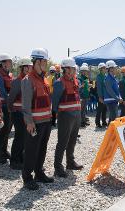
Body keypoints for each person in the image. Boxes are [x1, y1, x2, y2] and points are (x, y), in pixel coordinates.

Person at [21, 48, 54, 191]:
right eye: (44, 61)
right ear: (37, 62)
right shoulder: (28, 80)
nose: (46, 64)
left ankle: (39, 173)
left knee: (42, 149)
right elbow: (26, 104)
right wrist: (29, 122)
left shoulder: (44, 79)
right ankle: (27, 177)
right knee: (31, 150)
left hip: (46, 121)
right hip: (35, 123)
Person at [52, 57, 84, 178]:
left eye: (74, 69)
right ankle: (58, 167)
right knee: (62, 142)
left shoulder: (76, 81)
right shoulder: (59, 83)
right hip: (65, 116)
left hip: (76, 115)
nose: (73, 71)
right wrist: (54, 116)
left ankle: (70, 162)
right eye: (71, 69)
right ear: (65, 70)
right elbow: (54, 102)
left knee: (72, 140)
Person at [7, 58, 32, 170]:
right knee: (19, 137)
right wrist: (12, 111)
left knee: (26, 137)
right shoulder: (17, 81)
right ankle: (14, 161)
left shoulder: (29, 80)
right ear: (23, 68)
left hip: (26, 114)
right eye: (27, 67)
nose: (29, 69)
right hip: (18, 113)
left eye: (30, 67)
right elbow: (11, 98)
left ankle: (21, 158)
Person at [0, 53, 13, 164]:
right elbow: (2, 93)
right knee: (2, 131)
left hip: (10, 106)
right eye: (7, 61)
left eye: (10, 61)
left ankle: (3, 150)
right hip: (3, 107)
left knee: (7, 131)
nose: (9, 64)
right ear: (2, 64)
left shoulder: (10, 76)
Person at [95, 62, 107, 128]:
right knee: (99, 109)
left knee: (105, 109)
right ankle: (97, 122)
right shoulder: (99, 77)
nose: (106, 69)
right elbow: (99, 87)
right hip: (101, 96)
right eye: (104, 68)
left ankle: (104, 121)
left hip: (105, 96)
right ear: (101, 69)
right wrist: (100, 97)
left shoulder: (105, 76)